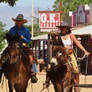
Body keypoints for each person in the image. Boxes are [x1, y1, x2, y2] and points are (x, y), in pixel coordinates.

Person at [0, 14, 38, 83]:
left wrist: (24, 38)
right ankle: (1, 70)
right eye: (17, 21)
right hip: (12, 46)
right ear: (16, 21)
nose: (18, 22)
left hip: (23, 46)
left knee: (31, 56)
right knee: (3, 55)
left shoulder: (26, 30)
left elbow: (29, 40)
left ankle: (33, 73)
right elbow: (8, 38)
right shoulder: (12, 29)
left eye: (20, 21)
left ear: (22, 22)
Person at [56, 22, 89, 92]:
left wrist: (85, 51)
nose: (63, 29)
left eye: (64, 27)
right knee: (51, 66)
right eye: (61, 28)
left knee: (76, 68)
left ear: (67, 28)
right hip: (60, 54)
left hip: (70, 54)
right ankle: (47, 80)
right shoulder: (57, 36)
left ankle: (76, 85)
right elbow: (55, 46)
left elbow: (77, 43)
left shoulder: (71, 35)